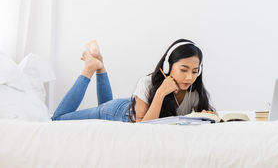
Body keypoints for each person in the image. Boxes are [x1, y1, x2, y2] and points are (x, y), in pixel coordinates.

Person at [51, 39, 216, 123]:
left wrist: (206, 117)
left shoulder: (194, 92)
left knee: (103, 106)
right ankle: (89, 68)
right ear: (167, 67)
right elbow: (143, 128)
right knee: (58, 119)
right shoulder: (147, 83)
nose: (189, 77)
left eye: (195, 71)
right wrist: (160, 93)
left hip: (135, 105)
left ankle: (100, 66)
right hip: (118, 112)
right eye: (184, 70)